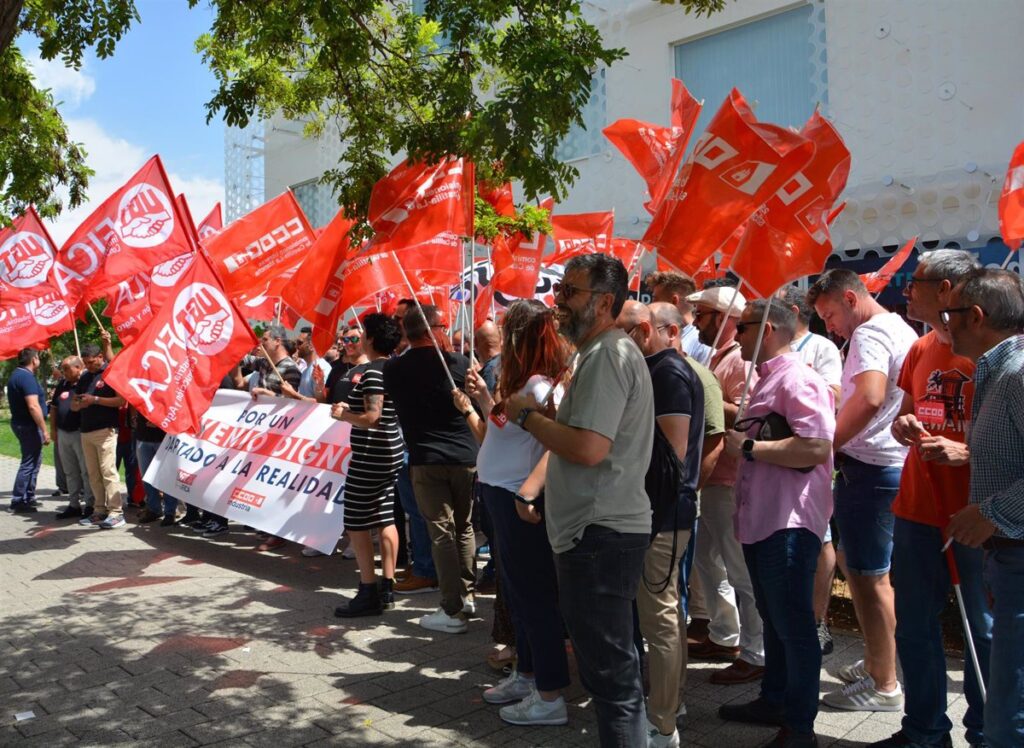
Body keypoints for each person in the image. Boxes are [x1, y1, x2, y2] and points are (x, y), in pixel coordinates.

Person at [505, 253, 653, 747]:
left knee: (611, 681)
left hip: (599, 534)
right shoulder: (598, 352)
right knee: (611, 676)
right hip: (595, 532)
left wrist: (526, 416)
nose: (559, 302)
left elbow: (589, 448)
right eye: (560, 290)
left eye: (570, 292)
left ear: (605, 301)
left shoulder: (609, 353)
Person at [866, 250, 991, 748]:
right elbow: (911, 414)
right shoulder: (919, 350)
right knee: (915, 626)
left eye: (916, 282)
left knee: (982, 631)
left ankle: (986, 732)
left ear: (947, 290)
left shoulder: (995, 352)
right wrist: (904, 427)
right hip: (917, 509)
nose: (905, 290)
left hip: (977, 516)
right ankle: (924, 730)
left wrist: (966, 453)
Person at [716, 298, 835, 748]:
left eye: (743, 328)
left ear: (768, 330)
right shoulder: (767, 379)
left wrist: (748, 449)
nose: (736, 336)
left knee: (794, 625)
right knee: (775, 618)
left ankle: (800, 727)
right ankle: (776, 700)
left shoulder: (799, 378)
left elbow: (816, 447)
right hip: (763, 519)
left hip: (788, 521)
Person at [455, 299, 571, 727]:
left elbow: (553, 441)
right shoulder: (524, 382)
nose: (504, 342)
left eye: (510, 334)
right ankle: (528, 675)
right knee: (519, 593)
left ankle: (550, 694)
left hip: (519, 499)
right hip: (501, 494)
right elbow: (504, 431)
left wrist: (527, 492)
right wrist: (484, 399)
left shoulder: (542, 387)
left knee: (534, 595)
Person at [808, 268, 918, 712]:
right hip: (886, 464)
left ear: (851, 299)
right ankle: (878, 662)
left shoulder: (871, 333)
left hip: (871, 468)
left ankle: (885, 684)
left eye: (830, 314)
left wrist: (825, 445)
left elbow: (870, 396)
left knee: (869, 580)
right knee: (868, 573)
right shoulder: (897, 325)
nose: (829, 327)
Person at [942, 268, 1024, 748]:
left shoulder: (1015, 375)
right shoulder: (997, 373)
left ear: (975, 316)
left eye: (950, 312)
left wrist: (989, 510)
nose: (942, 322)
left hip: (1018, 554)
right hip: (1006, 557)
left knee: (1008, 719)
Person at [617, 300, 704, 748]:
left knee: (661, 618)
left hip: (663, 512)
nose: (620, 340)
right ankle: (671, 704)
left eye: (625, 331)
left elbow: (671, 450)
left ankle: (663, 722)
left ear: (649, 331)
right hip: (660, 510)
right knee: (664, 615)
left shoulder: (667, 371)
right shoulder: (659, 368)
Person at [686, 285, 765, 685]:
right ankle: (725, 635)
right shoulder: (719, 357)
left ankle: (756, 652)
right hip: (714, 478)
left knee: (738, 569)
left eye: (702, 315)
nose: (696, 322)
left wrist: (705, 397)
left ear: (724, 319)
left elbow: (751, 415)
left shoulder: (738, 360)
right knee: (708, 562)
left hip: (730, 478)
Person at [384, 304, 478, 634]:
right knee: (461, 528)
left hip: (427, 459)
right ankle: (461, 600)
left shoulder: (395, 369)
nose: (445, 331)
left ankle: (454, 605)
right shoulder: (457, 363)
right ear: (430, 330)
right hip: (463, 456)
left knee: (443, 533)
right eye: (441, 326)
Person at [778, 284, 843, 656]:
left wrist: (794, 379)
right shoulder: (765, 344)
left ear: (790, 309)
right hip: (775, 461)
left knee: (820, 538)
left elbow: (834, 395)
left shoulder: (820, 347)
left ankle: (817, 622)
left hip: (808, 455)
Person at [331, 314, 406, 617]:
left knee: (357, 521)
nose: (359, 338)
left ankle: (368, 590)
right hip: (390, 450)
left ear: (372, 339)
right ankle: (387, 586)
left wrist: (344, 415)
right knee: (385, 515)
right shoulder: (394, 368)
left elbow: (373, 417)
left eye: (362, 334)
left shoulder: (374, 372)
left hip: (372, 453)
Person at [72, 343, 126, 529]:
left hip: (105, 430)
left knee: (108, 472)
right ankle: (99, 510)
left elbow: (121, 400)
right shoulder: (85, 376)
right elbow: (75, 403)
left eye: (92, 362)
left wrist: (95, 400)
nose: (89, 366)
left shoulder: (111, 372)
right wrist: (77, 404)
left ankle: (116, 512)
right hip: (86, 430)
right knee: (93, 474)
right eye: (86, 363)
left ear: (101, 357)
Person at [7, 348, 50, 513]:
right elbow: (33, 406)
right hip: (29, 426)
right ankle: (18, 500)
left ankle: (28, 497)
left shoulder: (16, 375)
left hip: (20, 423)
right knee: (29, 462)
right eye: (38, 357)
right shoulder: (26, 377)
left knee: (35, 461)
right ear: (34, 360)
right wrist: (44, 429)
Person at [51, 356, 93, 519]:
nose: (64, 372)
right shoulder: (62, 384)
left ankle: (90, 505)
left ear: (78, 367)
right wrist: (53, 429)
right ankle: (74, 504)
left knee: (86, 471)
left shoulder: (85, 383)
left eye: (67, 369)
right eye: (63, 369)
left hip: (79, 433)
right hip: (63, 433)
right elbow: (54, 408)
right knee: (70, 471)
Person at [645, 270, 714, 364]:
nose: (651, 304)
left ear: (674, 301)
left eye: (655, 299)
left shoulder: (702, 344)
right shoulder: (658, 335)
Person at [132, 407, 178, 526]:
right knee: (147, 477)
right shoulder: (144, 388)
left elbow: (177, 409)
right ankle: (154, 510)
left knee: (167, 478)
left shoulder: (171, 389)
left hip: (165, 439)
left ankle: (170, 512)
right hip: (142, 437)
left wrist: (160, 422)